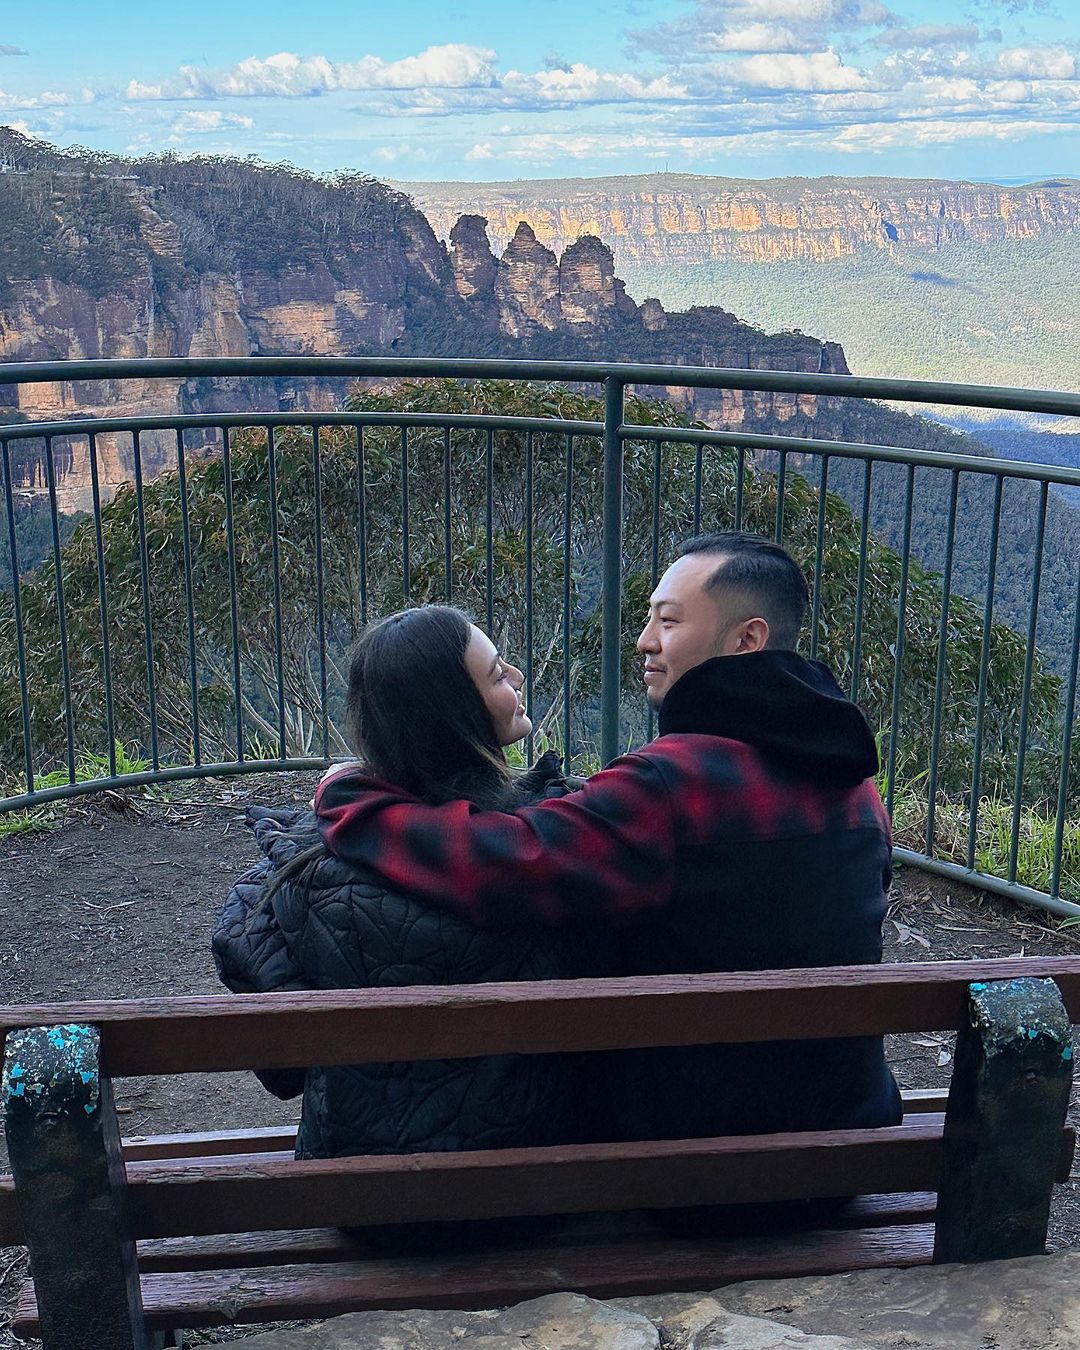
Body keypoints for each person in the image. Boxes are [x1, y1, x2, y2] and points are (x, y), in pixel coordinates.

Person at [314, 533, 902, 1161]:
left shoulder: (669, 788)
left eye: (668, 621)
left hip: (710, 1171)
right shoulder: (860, 793)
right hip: (850, 1141)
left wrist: (357, 805)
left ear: (747, 640)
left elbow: (503, 861)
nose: (645, 640)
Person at [214, 605, 607, 1205]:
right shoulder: (560, 851)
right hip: (536, 1196)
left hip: (366, 1202)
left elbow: (283, 1071)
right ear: (456, 714)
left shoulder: (297, 872)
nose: (519, 679)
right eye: (499, 674)